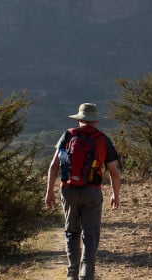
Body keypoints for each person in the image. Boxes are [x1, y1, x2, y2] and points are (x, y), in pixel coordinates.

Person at [45, 103, 122, 280]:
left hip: (69, 190)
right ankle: (87, 275)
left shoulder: (68, 135)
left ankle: (72, 274)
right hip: (92, 192)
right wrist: (115, 194)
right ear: (95, 120)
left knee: (71, 232)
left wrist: (49, 191)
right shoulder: (103, 139)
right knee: (90, 235)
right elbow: (114, 172)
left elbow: (53, 166)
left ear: (79, 119)